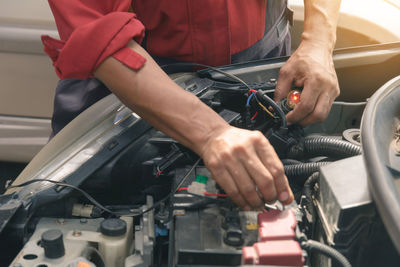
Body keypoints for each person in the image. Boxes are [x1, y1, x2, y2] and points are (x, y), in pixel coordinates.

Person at [42, 0, 340, 211]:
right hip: (130, 87)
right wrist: (212, 133)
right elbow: (96, 30)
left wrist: (318, 42)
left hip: (261, 73)